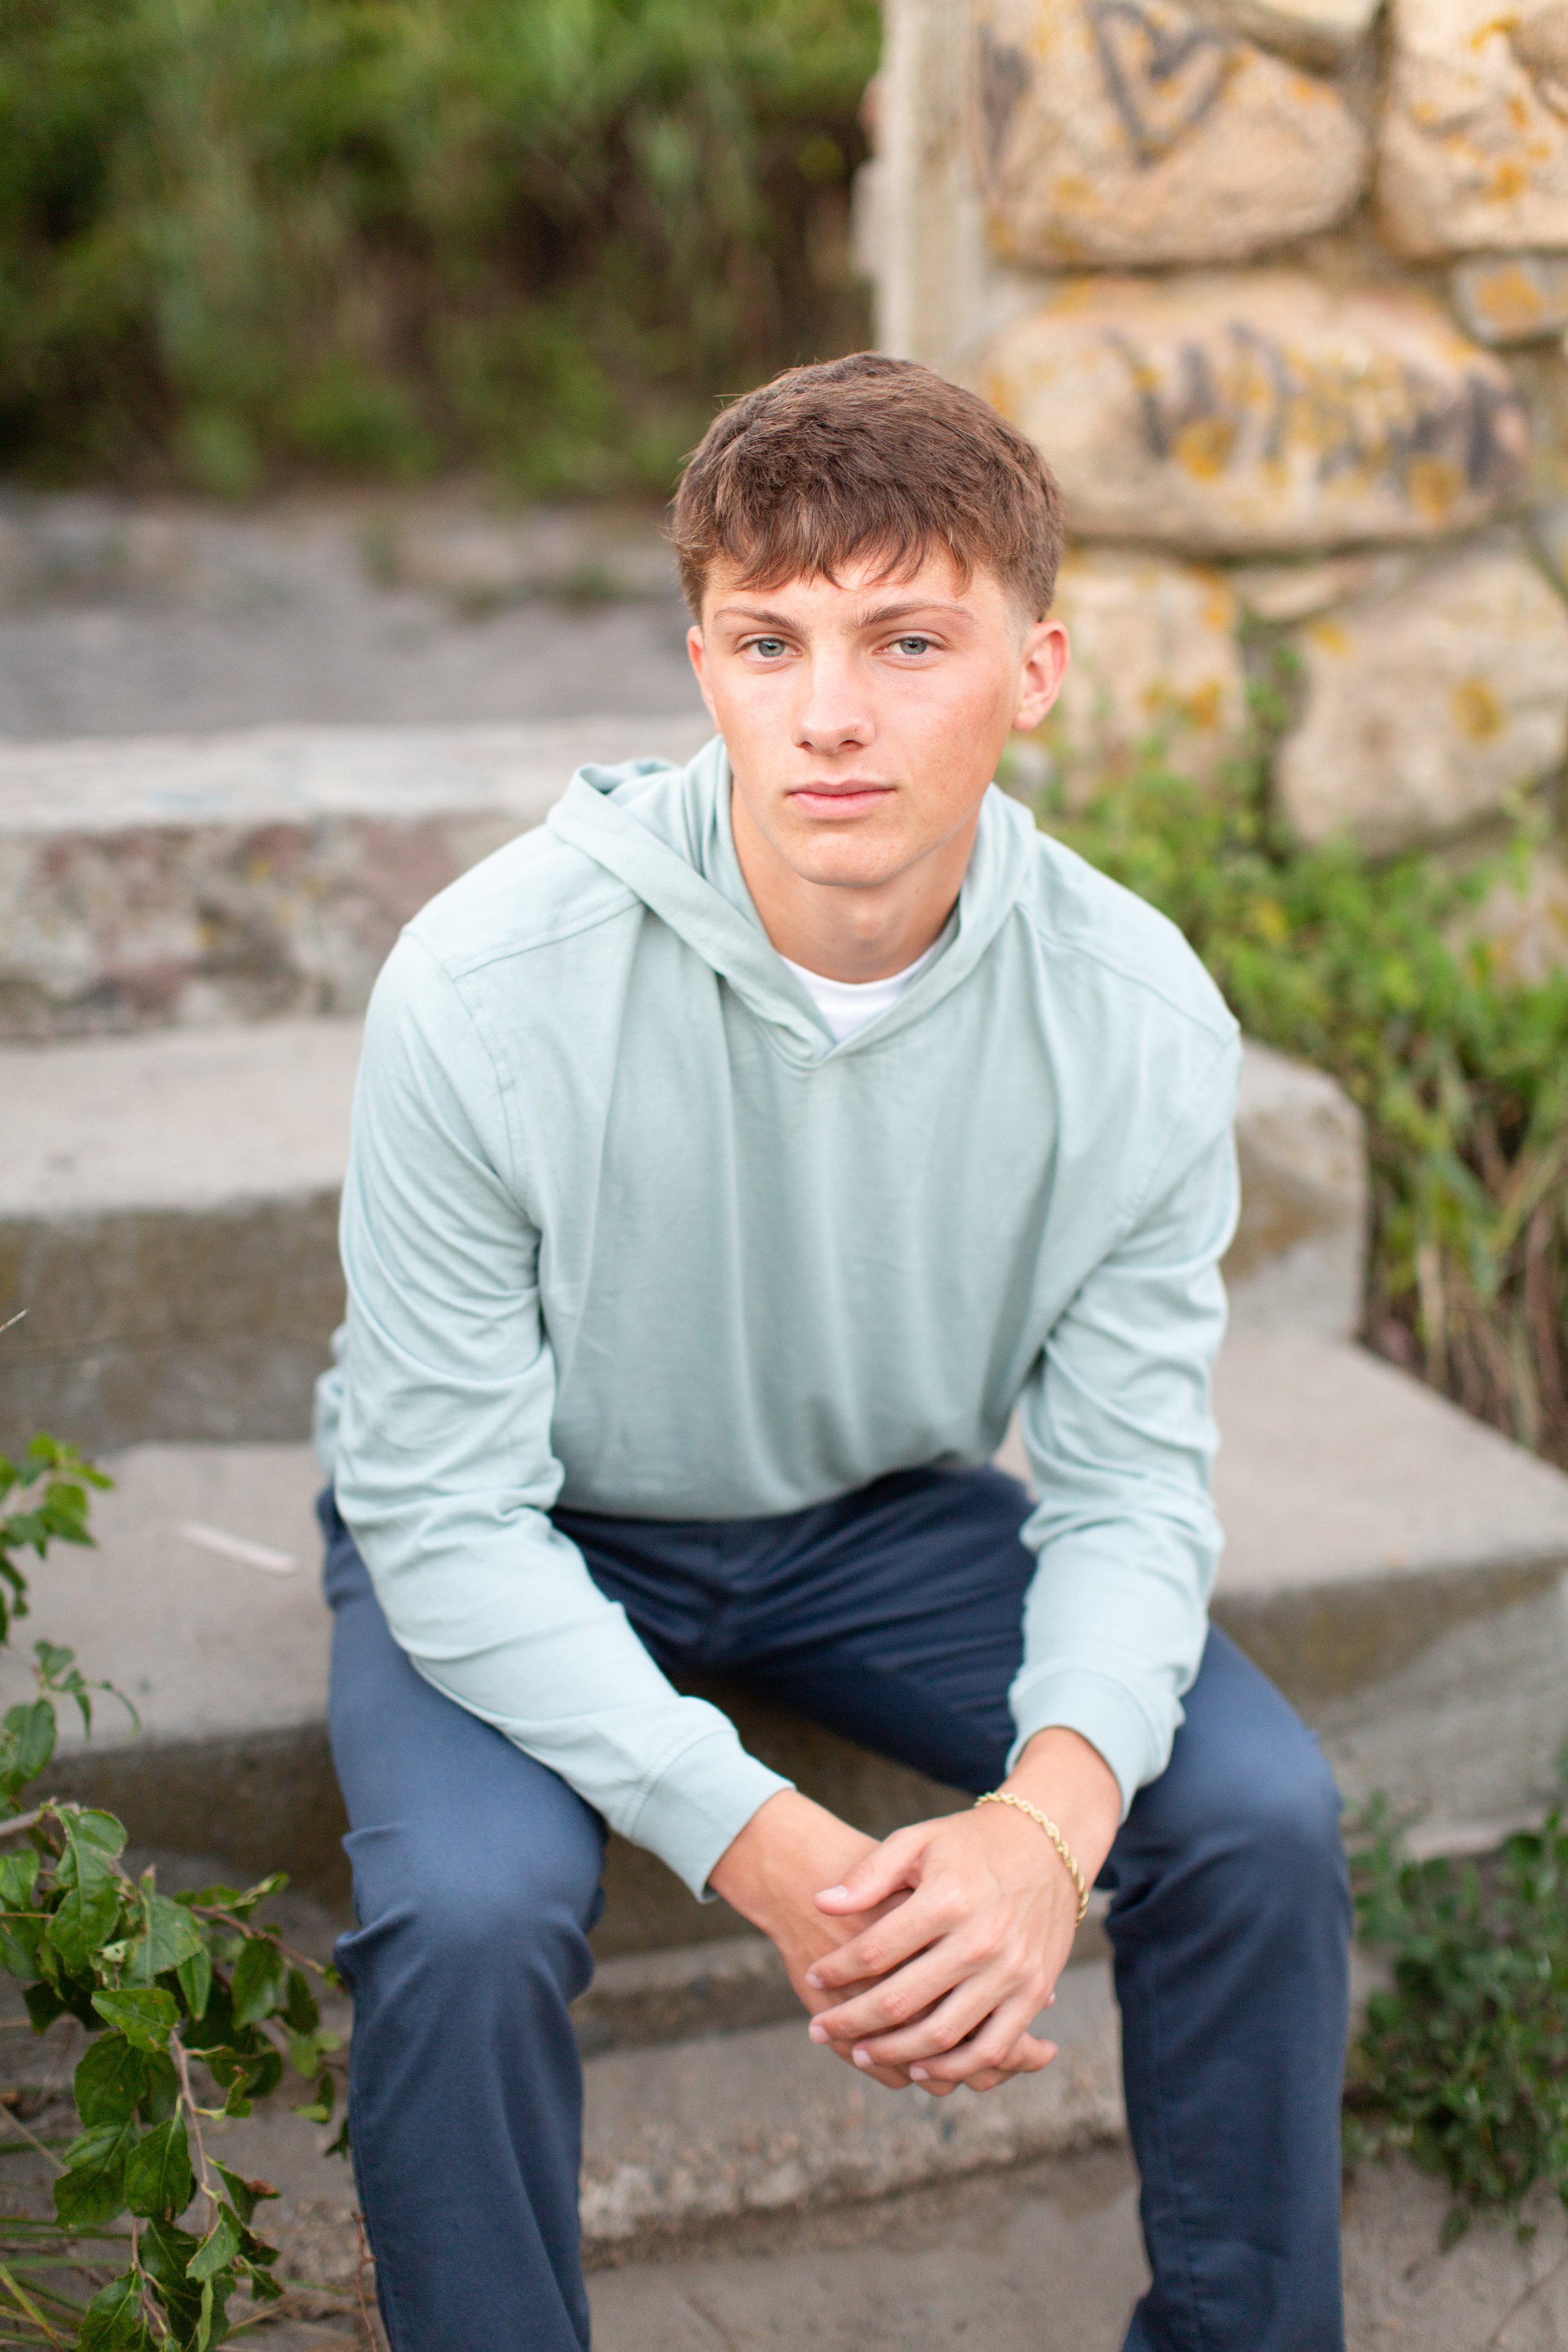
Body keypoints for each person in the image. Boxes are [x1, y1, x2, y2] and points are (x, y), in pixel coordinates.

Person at [313, 351, 1351, 2352]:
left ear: (1032, 670)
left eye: (905, 638)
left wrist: (1046, 1836)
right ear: (697, 661)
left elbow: (1134, 1491)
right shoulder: (480, 985)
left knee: (1255, 1813)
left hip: (872, 1514)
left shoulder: (1135, 1019)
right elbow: (439, 1505)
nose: (830, 715)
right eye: (765, 641)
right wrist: (770, 1849)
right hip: (525, 1517)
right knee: (462, 1913)